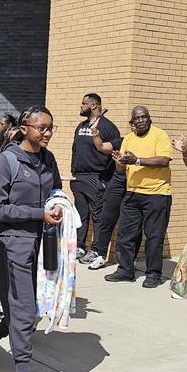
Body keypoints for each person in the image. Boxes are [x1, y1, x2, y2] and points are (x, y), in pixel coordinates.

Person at [0, 106, 63, 372]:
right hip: (11, 243)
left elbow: (56, 189)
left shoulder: (48, 159)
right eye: (42, 128)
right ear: (25, 128)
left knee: (22, 311)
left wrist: (59, 204)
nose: (47, 133)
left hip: (41, 242)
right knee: (26, 312)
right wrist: (37, 213)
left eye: (51, 128)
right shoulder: (8, 160)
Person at [105, 106, 172, 288]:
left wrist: (137, 160)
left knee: (154, 237)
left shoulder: (160, 135)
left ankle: (153, 274)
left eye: (144, 117)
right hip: (132, 192)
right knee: (126, 234)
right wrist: (119, 162)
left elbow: (164, 160)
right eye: (137, 117)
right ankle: (125, 270)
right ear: (132, 122)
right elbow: (122, 169)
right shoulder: (128, 138)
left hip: (157, 194)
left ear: (149, 119)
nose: (141, 120)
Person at [70, 93, 122, 264]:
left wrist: (105, 179)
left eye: (83, 103)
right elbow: (75, 150)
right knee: (80, 214)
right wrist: (73, 173)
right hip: (79, 177)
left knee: (98, 217)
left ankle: (96, 250)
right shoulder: (81, 126)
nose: (81, 106)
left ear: (94, 105)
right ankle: (79, 246)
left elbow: (114, 154)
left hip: (96, 177)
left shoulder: (108, 127)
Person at [82, 121, 129, 270]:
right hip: (117, 182)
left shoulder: (148, 142)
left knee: (129, 225)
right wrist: (95, 131)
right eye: (133, 123)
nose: (135, 126)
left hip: (136, 186)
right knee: (106, 220)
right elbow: (101, 147)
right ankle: (100, 254)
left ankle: (129, 260)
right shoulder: (124, 140)